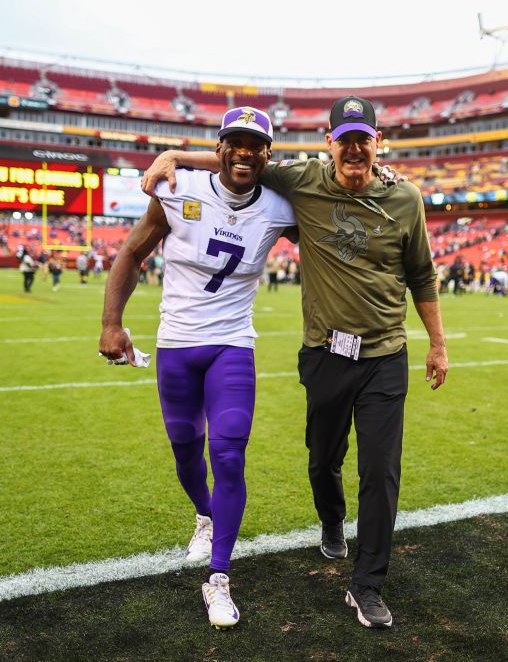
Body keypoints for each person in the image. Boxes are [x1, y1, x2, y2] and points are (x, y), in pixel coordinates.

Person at [141, 95, 449, 630]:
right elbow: (241, 160)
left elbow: (422, 275)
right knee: (322, 458)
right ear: (329, 143)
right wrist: (176, 155)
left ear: (378, 144)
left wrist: (438, 343)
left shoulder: (406, 198)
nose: (355, 149)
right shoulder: (302, 181)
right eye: (345, 139)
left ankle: (367, 584)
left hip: (386, 355)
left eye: (365, 140)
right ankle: (332, 521)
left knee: (381, 469)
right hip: (326, 354)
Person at [100, 106, 296, 630]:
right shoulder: (178, 188)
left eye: (256, 145)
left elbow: (324, 198)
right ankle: (205, 515)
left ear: (267, 154)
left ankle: (219, 578)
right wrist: (111, 324)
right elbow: (132, 253)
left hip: (232, 344)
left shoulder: (280, 206)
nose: (245, 153)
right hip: (177, 345)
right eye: (235, 143)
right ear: (219, 147)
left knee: (228, 452)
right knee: (186, 453)